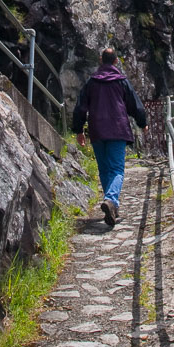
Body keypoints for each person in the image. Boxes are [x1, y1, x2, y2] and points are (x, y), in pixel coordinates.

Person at [72, 47, 146, 226]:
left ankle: (111, 205)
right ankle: (111, 200)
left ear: (100, 60)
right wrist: (142, 122)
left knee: (104, 170)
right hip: (117, 129)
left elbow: (81, 106)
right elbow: (134, 104)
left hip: (97, 130)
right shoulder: (121, 81)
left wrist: (79, 130)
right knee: (117, 170)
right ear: (115, 61)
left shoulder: (92, 82)